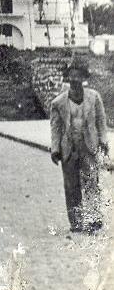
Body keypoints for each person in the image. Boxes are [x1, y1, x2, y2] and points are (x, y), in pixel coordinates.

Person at [50, 61, 109, 233]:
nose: (74, 81)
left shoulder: (94, 97)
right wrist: (55, 149)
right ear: (67, 79)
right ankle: (76, 222)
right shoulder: (58, 103)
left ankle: (93, 219)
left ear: (83, 78)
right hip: (69, 149)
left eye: (78, 77)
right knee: (71, 186)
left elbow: (101, 121)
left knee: (91, 183)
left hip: (89, 147)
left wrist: (104, 142)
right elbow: (55, 128)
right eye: (71, 77)